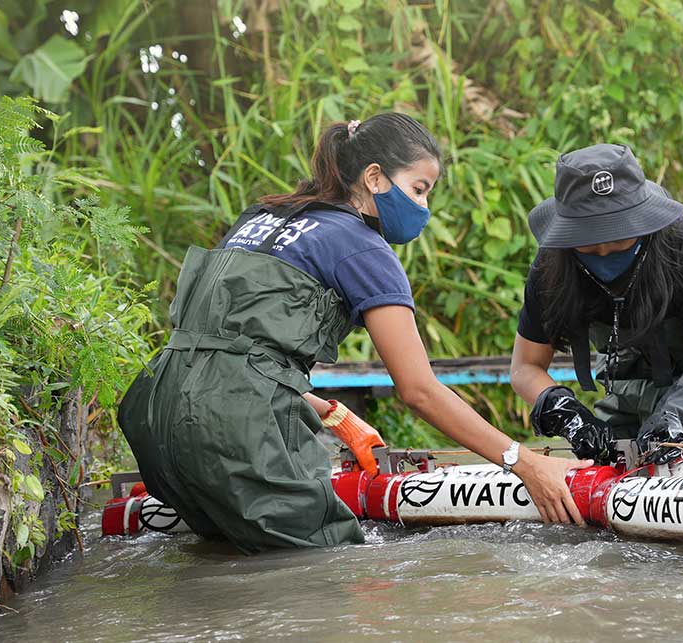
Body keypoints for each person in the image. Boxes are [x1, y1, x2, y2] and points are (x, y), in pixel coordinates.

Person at [118, 113, 591, 554]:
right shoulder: (362, 247)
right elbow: (419, 390)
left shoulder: (259, 218)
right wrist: (526, 463)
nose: (423, 207)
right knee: (328, 575)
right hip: (233, 431)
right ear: (374, 178)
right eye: (419, 189)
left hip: (155, 413)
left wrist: (332, 413)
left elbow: (221, 353)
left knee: (225, 568)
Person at [510, 144, 683, 466]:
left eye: (618, 236)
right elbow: (524, 367)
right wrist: (567, 414)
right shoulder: (551, 267)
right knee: (618, 464)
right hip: (639, 366)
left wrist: (678, 412)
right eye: (589, 238)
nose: (604, 249)